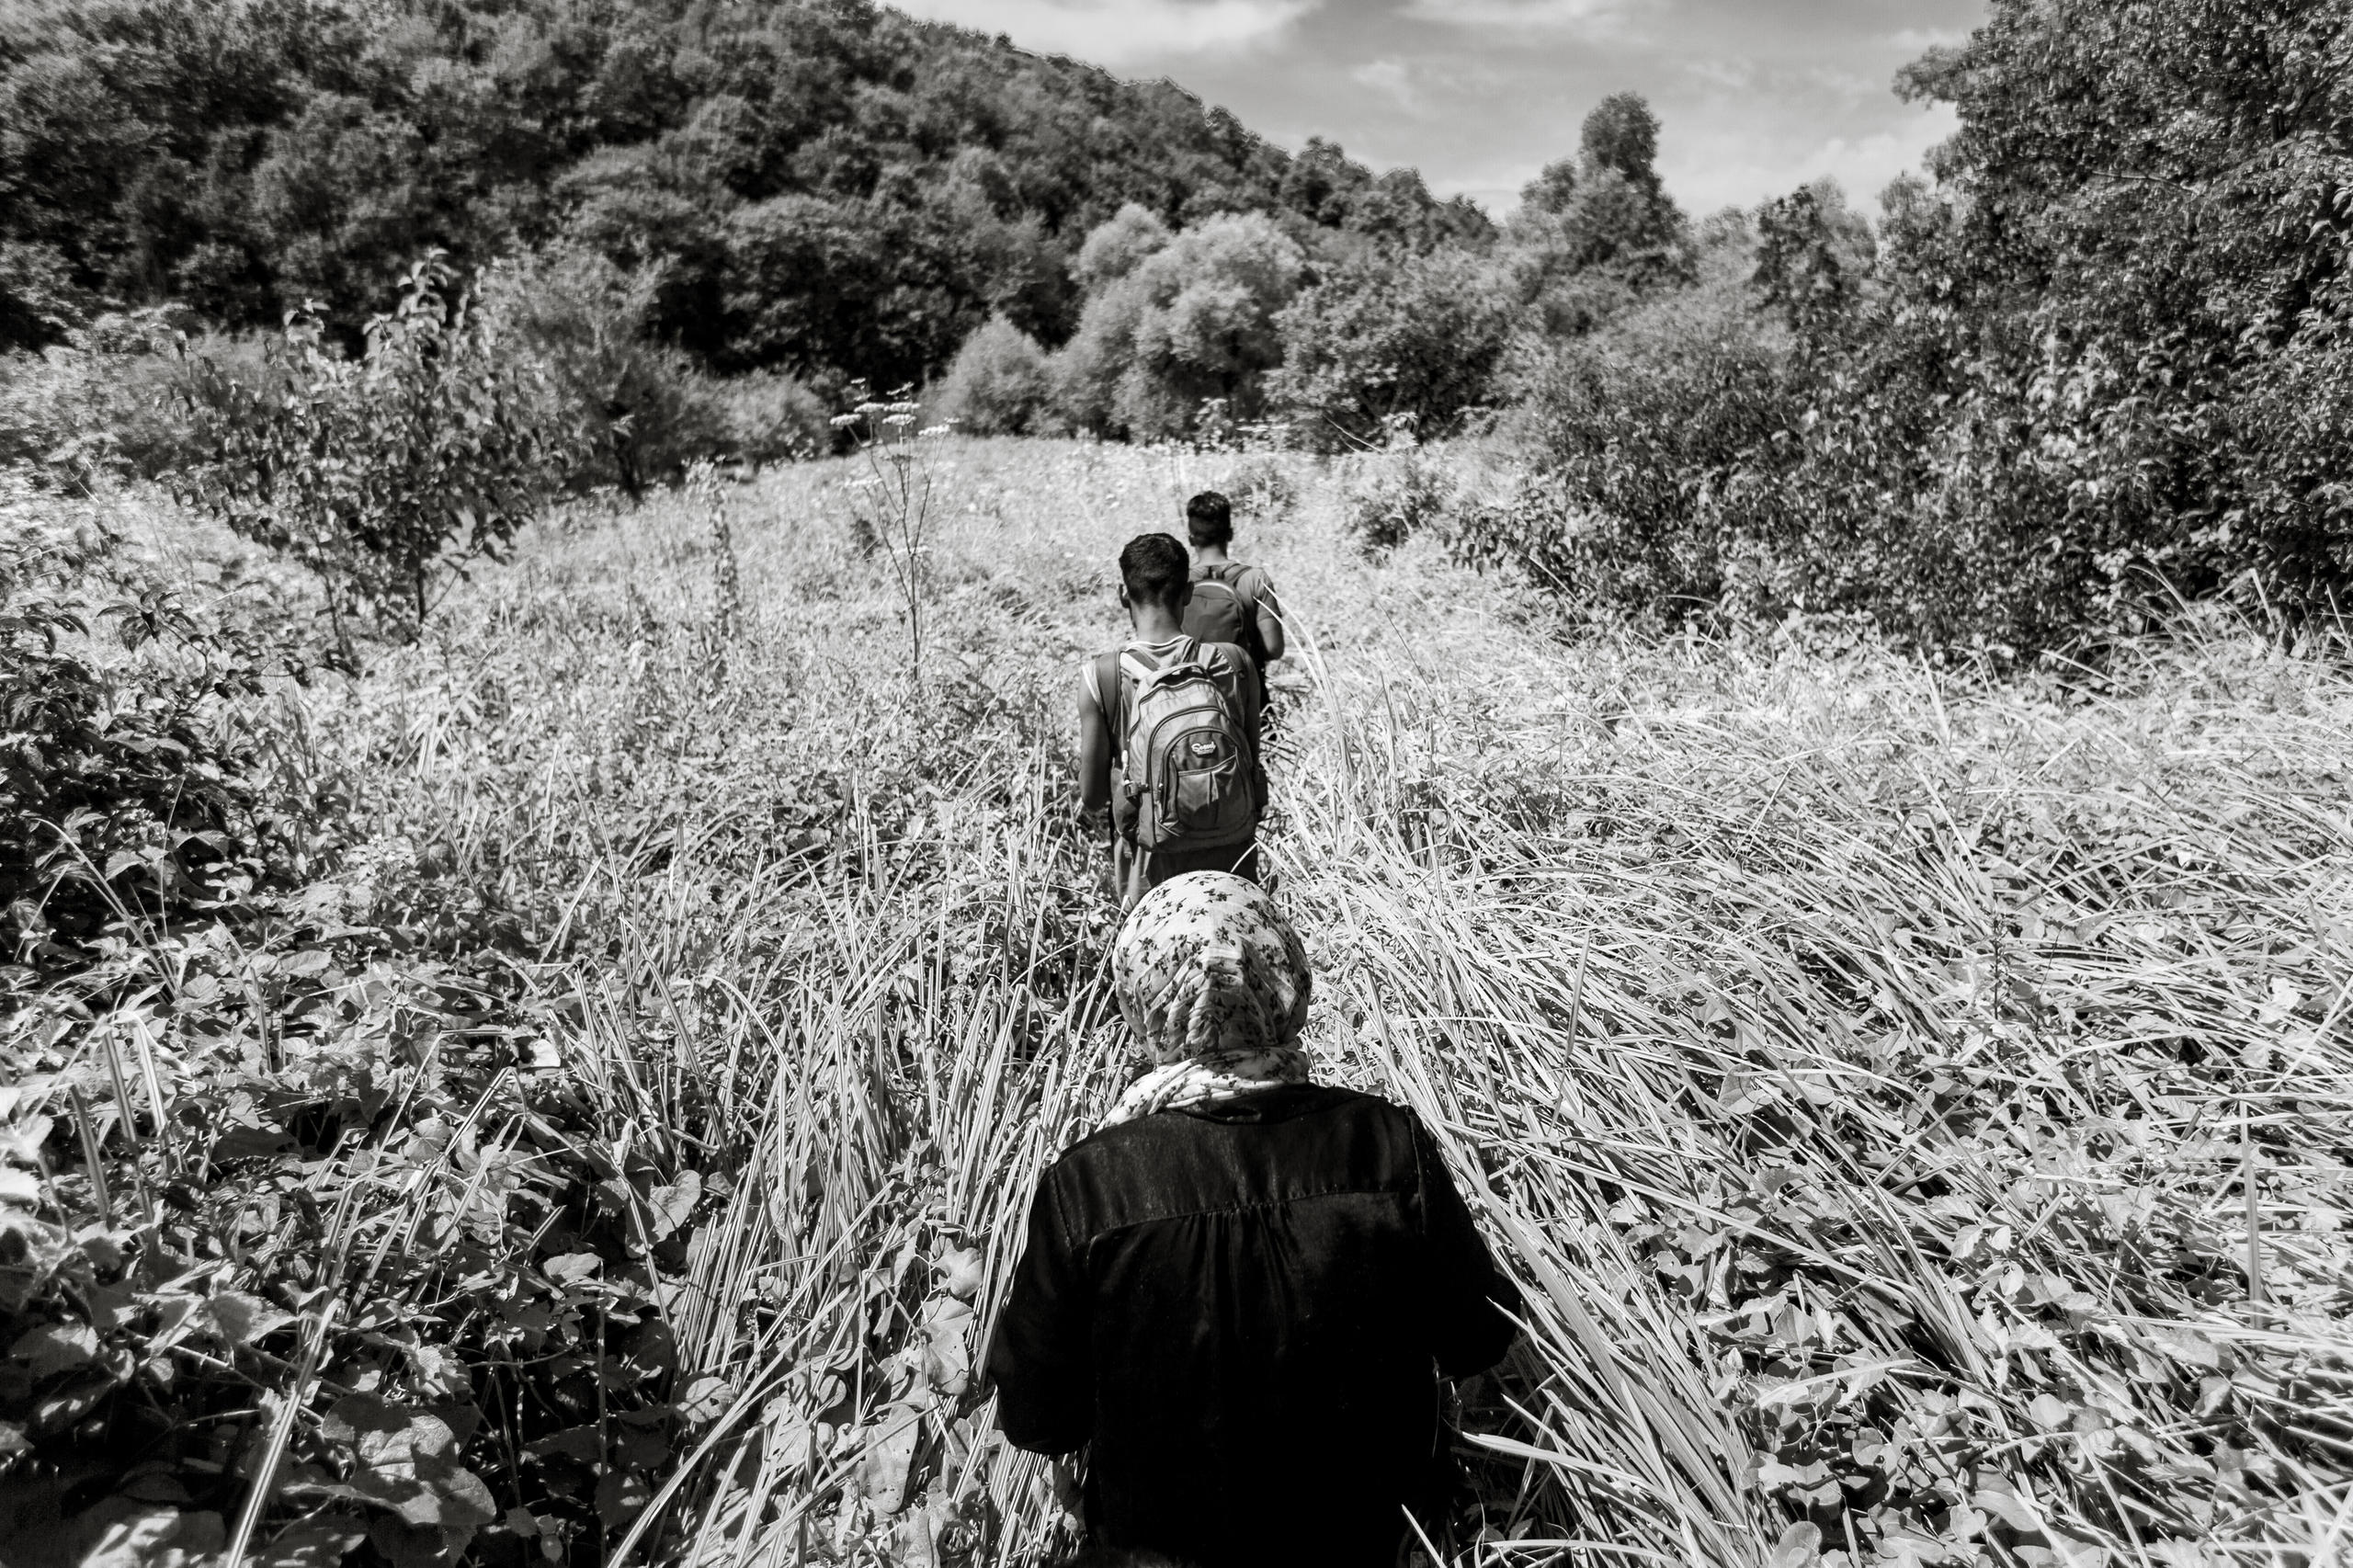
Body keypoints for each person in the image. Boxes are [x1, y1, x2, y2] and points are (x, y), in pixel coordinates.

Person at [987, 874, 1521, 1568]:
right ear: (1284, 978)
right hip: (1374, 1545)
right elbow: (1478, 1337)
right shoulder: (1386, 1147)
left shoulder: (1090, 1185)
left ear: (1142, 997)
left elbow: (1035, 1416)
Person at [1079, 534, 1265, 906]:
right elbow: (1250, 770)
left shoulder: (1104, 676)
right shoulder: (1234, 663)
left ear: (1122, 594)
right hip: (1233, 870)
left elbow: (1093, 797)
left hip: (1150, 879)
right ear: (1188, 592)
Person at [1178, 492, 1285, 705]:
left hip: (1192, 701)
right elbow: (1274, 648)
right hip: (1246, 700)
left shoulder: (1179, 584)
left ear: (1191, 539)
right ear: (1230, 534)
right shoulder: (1255, 580)